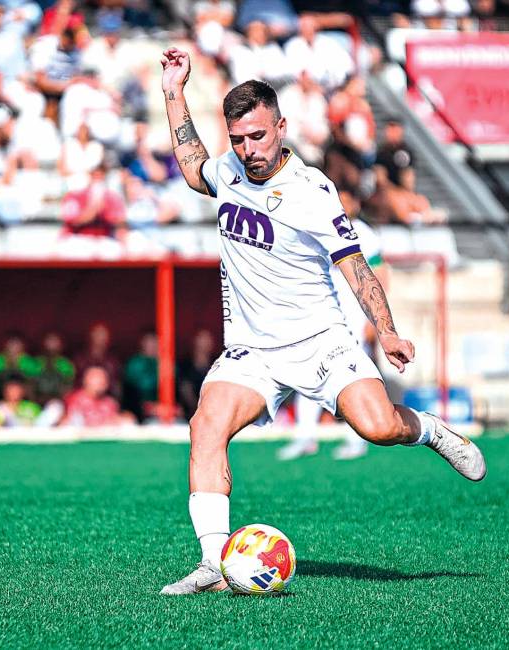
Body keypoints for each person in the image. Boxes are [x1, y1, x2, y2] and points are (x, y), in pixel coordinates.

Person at [157, 48, 485, 595]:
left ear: (281, 127)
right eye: (238, 138)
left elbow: (356, 268)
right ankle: (216, 564)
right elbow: (193, 166)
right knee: (205, 427)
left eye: (257, 136)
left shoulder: (312, 192)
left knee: (378, 428)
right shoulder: (230, 171)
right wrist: (173, 91)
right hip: (253, 350)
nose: (247, 149)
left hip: (320, 342)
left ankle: (430, 430)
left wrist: (386, 329)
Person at [278, 190, 387, 461]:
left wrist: (376, 320)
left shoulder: (364, 234)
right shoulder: (318, 227)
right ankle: (305, 436)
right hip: (323, 313)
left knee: (353, 376)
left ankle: (357, 437)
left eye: (347, 200)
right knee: (309, 371)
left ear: (356, 203)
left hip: (354, 316)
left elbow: (380, 275)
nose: (342, 205)